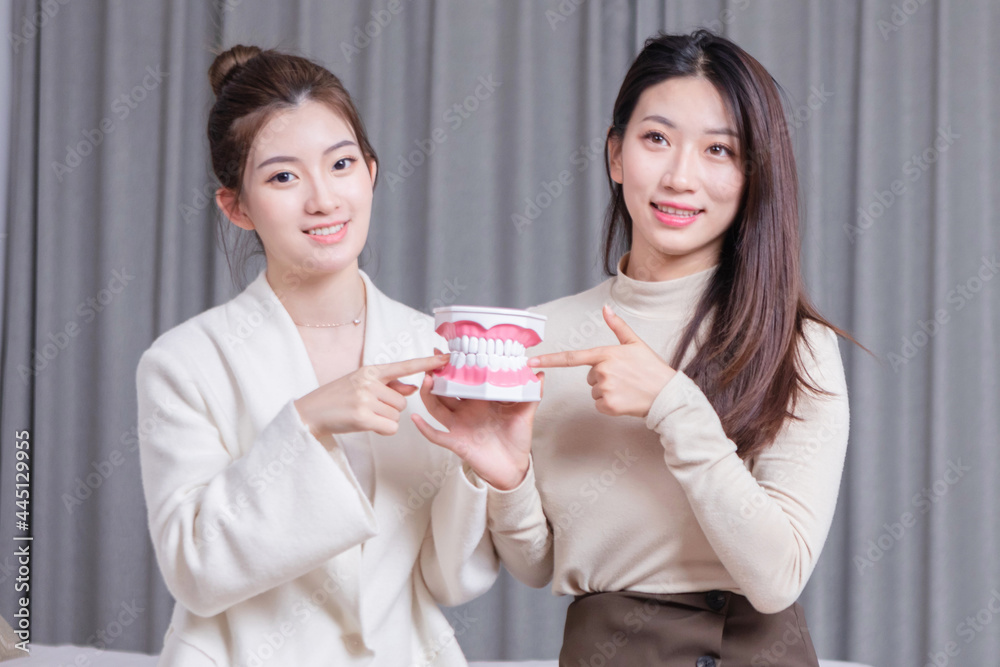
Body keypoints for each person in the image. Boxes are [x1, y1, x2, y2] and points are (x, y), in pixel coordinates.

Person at [418, 30, 853, 665]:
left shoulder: (794, 342)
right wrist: (508, 476)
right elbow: (539, 565)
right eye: (657, 139)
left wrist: (674, 404)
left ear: (752, 174)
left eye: (719, 151)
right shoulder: (543, 336)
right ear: (616, 156)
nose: (681, 176)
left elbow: (778, 575)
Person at [136, 45, 533, 667]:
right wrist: (306, 422)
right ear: (236, 206)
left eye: (341, 164)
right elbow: (194, 569)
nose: (323, 200)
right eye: (283, 177)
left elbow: (449, 581)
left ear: (371, 173)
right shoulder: (184, 362)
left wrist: (478, 470)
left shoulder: (433, 351)